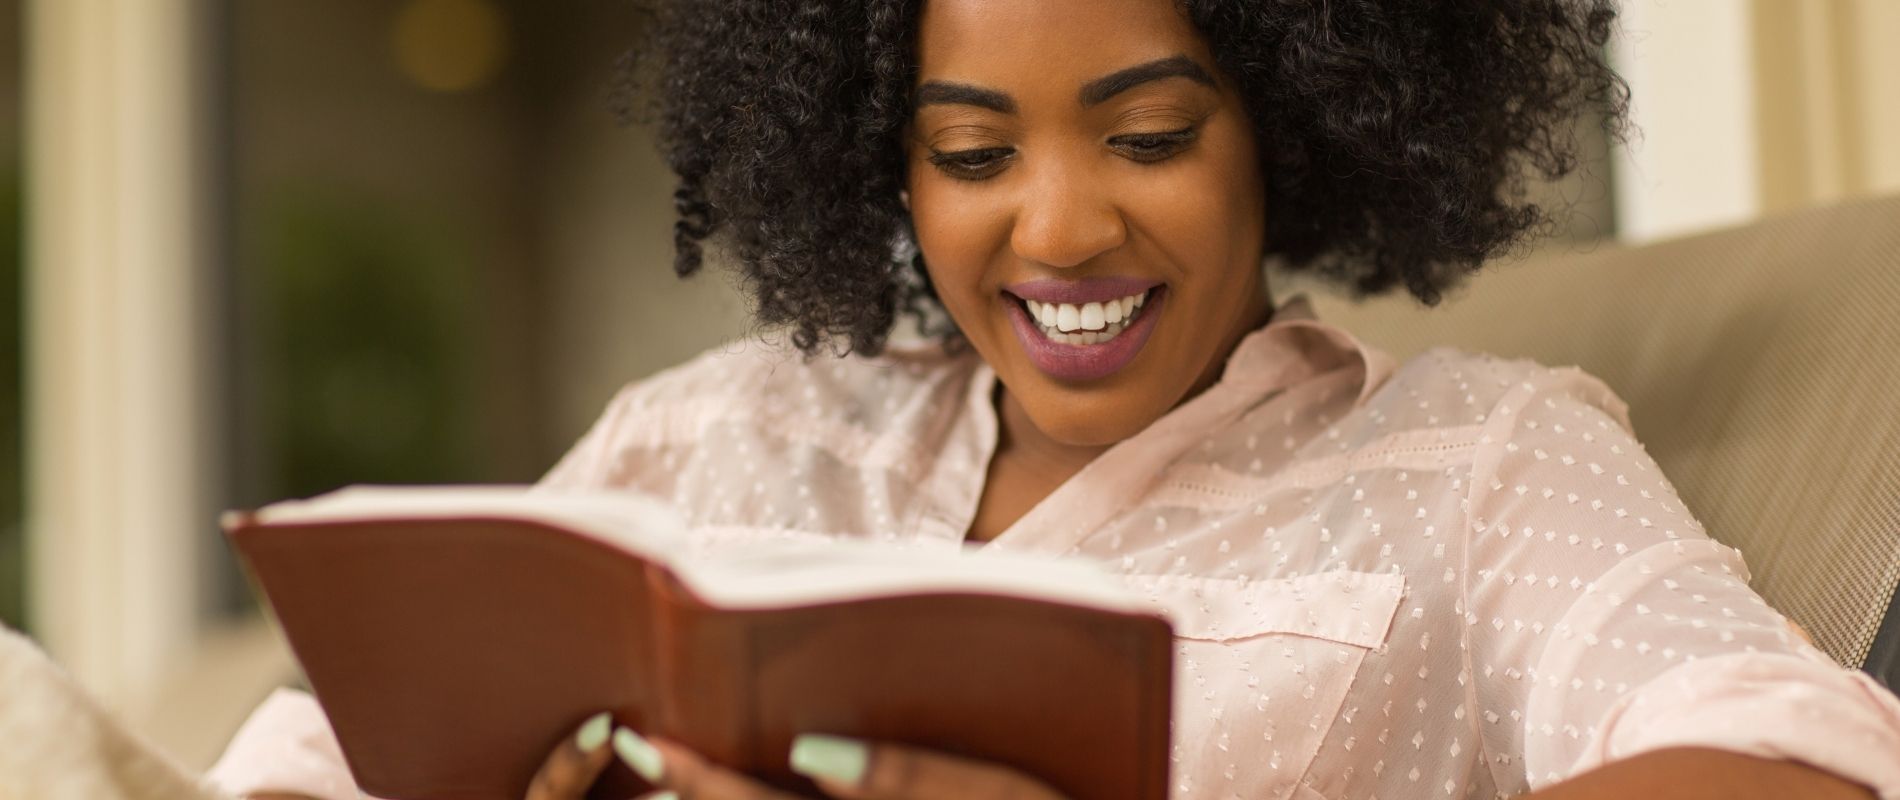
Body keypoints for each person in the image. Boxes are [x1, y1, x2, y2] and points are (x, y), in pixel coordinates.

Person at [209, 1, 1900, 798]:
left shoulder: (1479, 460)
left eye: (1150, 134)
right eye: (969, 154)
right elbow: (300, 768)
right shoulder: (718, 431)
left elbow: (1798, 763)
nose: (1062, 225)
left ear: (1291, 122)